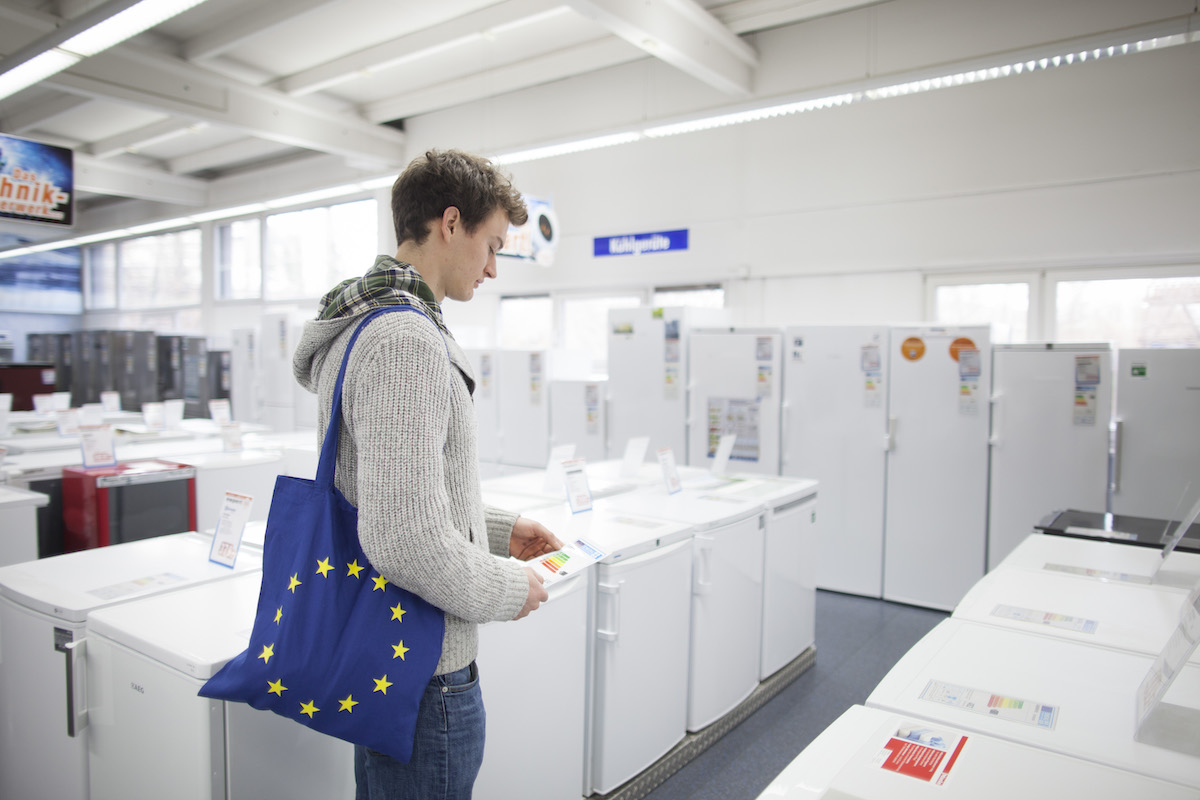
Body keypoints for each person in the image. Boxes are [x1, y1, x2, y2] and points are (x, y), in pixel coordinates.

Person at [292, 148, 563, 799]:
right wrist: (508, 587)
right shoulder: (405, 339)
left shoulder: (365, 322)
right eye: (491, 246)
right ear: (450, 223)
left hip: (384, 653)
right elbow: (405, 537)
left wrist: (499, 529)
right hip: (425, 675)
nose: (492, 268)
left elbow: (383, 492)